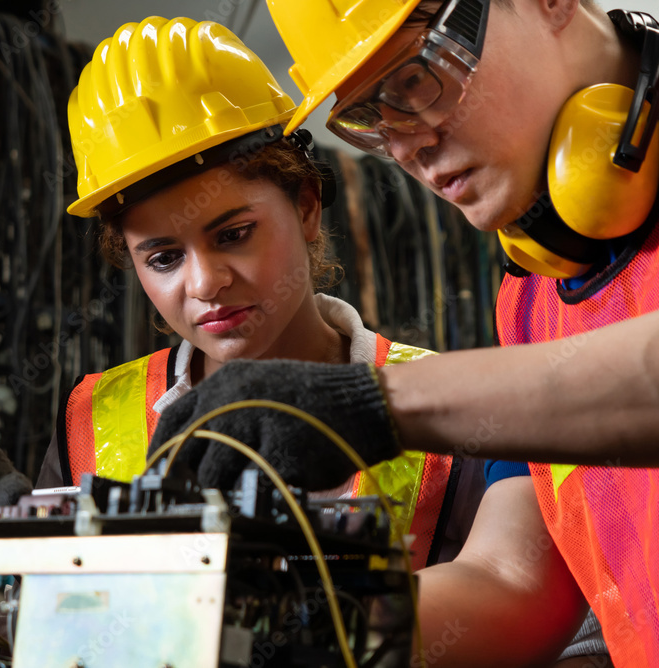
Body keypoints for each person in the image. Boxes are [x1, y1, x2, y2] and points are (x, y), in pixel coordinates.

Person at [151, 0, 657, 665]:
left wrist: (369, 404)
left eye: (414, 80)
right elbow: (519, 585)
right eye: (368, 118)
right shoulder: (532, 294)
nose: (405, 148)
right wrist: (279, 627)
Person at [41, 14, 486, 577]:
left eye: (233, 235)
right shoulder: (89, 422)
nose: (204, 284)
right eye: (163, 258)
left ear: (306, 206)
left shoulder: (452, 413)